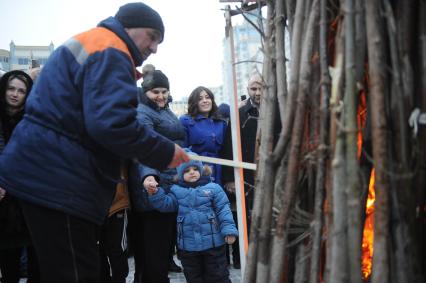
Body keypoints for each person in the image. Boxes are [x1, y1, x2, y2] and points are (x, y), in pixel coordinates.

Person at [0, 3, 189, 283]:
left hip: (45, 174)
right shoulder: (112, 50)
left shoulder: (93, 42)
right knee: (77, 273)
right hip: (60, 182)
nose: (154, 47)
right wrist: (165, 151)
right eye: (151, 36)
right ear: (128, 27)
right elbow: (112, 124)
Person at [144, 150, 238, 283]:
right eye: (187, 171)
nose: (192, 172)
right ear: (181, 175)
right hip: (188, 248)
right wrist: (155, 193)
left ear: (202, 169)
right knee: (193, 278)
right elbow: (165, 204)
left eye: (195, 169)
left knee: (218, 276)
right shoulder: (176, 191)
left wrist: (229, 231)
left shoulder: (213, 188)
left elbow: (224, 210)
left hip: (213, 246)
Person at [128, 68, 184, 283]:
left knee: (155, 252)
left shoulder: (163, 110)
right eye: (155, 92)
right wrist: (149, 177)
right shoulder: (143, 113)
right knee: (154, 253)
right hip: (154, 188)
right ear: (145, 92)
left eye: (164, 91)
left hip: (167, 182)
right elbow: (144, 149)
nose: (161, 96)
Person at [221, 70, 265, 269]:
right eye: (253, 88)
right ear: (247, 89)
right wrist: (230, 178)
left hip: (269, 172)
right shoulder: (238, 114)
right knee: (244, 215)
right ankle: (242, 257)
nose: (257, 92)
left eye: (261, 87)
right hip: (246, 175)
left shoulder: (279, 110)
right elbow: (229, 147)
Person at [0, 70, 40, 282]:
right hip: (4, 203)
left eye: (21, 91)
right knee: (8, 262)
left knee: (37, 260)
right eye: (11, 88)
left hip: (29, 197)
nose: (15, 94)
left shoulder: (33, 119)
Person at [180, 86, 228, 186]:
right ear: (194, 103)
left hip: (219, 169)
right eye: (200, 99)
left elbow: (226, 150)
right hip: (197, 169)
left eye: (207, 97)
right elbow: (183, 150)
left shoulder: (221, 122)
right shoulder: (186, 121)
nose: (205, 101)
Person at [99, 162, 130, 283]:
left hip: (117, 206)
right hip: (93, 207)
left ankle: (120, 279)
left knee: (118, 250)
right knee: (97, 251)